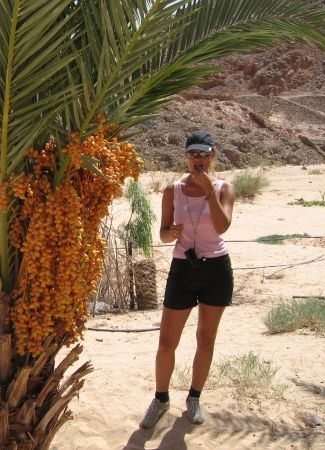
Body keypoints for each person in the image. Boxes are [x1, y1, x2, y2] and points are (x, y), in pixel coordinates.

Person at [140, 130, 235, 428]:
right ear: (185, 156)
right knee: (167, 341)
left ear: (212, 155)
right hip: (183, 269)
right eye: (193, 153)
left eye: (203, 154)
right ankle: (160, 399)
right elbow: (163, 233)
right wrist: (170, 234)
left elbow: (222, 227)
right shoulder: (173, 190)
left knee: (205, 339)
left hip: (216, 270)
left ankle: (194, 398)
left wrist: (208, 190)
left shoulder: (224, 188)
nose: (198, 159)